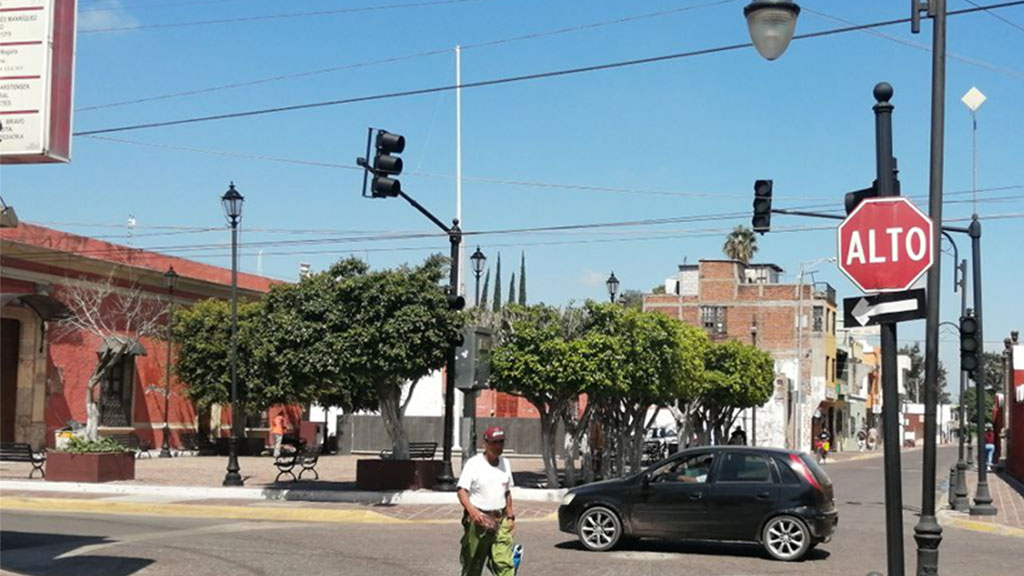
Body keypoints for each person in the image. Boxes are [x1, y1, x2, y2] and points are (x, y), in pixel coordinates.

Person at [457, 426, 516, 576]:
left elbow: (507, 491)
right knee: (473, 565)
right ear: (485, 444)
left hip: (500, 519)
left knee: (504, 564)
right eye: (494, 442)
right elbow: (462, 490)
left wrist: (510, 517)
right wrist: (472, 511)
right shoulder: (474, 464)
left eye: (501, 442)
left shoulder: (505, 463)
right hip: (479, 520)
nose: (498, 446)